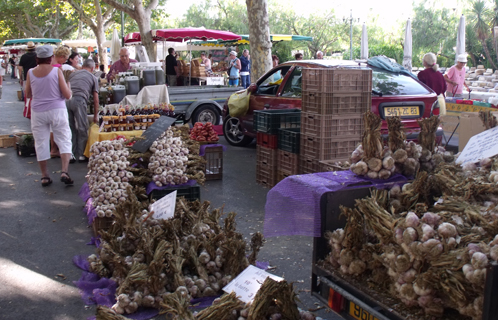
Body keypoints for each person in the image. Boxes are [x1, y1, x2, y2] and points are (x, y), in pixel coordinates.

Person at [24, 45, 73, 187]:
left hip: (38, 112)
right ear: (51, 57)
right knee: (64, 139)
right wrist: (68, 85)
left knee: (40, 142)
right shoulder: (56, 72)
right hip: (57, 110)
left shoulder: (31, 72)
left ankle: (45, 176)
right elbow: (67, 95)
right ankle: (64, 171)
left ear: (37, 58)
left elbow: (28, 94)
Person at [67, 59, 99, 163]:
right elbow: (96, 99)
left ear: (82, 66)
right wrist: (96, 115)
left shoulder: (73, 74)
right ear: (93, 68)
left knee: (70, 128)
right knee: (82, 127)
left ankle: (71, 154)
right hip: (79, 100)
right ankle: (81, 154)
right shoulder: (93, 77)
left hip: (66, 100)